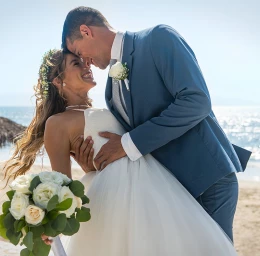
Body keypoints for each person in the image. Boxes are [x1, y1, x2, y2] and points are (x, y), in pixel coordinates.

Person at [4, 49, 239, 256]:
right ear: (58, 80)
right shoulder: (58, 123)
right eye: (76, 64)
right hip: (113, 198)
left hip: (156, 186)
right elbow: (62, 184)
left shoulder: (110, 105)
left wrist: (94, 165)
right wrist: (51, 223)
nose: (87, 66)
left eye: (85, 62)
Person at [62, 6, 251, 242]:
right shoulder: (111, 87)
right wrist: (93, 162)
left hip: (206, 179)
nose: (83, 61)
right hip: (169, 192)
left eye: (78, 51)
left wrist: (127, 144)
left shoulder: (157, 38)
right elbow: (128, 138)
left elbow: (196, 101)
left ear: (86, 31)